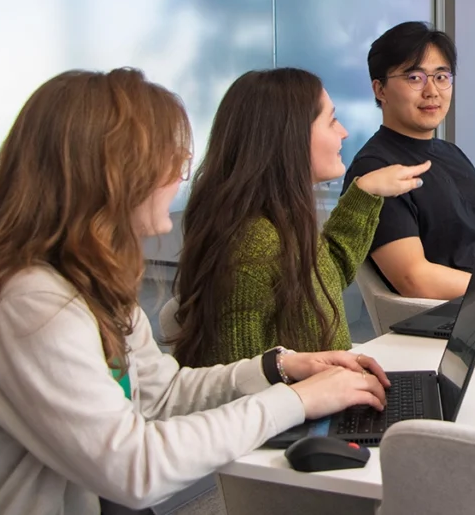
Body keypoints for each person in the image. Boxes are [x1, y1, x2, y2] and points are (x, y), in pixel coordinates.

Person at [0, 69, 390, 515]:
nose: (180, 175)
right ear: (114, 173)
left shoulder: (90, 281)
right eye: (169, 160)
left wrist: (280, 367)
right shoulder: (32, 303)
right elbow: (134, 470)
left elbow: (161, 394)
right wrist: (294, 401)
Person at [170, 68, 429, 368]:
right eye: (331, 120)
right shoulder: (253, 245)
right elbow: (238, 384)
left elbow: (326, 276)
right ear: (290, 136)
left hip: (327, 392)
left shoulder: (280, 220)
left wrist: (365, 191)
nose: (343, 131)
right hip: (307, 409)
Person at [343, 22, 475, 300]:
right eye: (414, 78)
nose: (432, 91)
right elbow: (415, 278)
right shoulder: (377, 171)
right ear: (380, 90)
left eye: (441, 77)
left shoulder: (450, 152)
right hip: (457, 313)